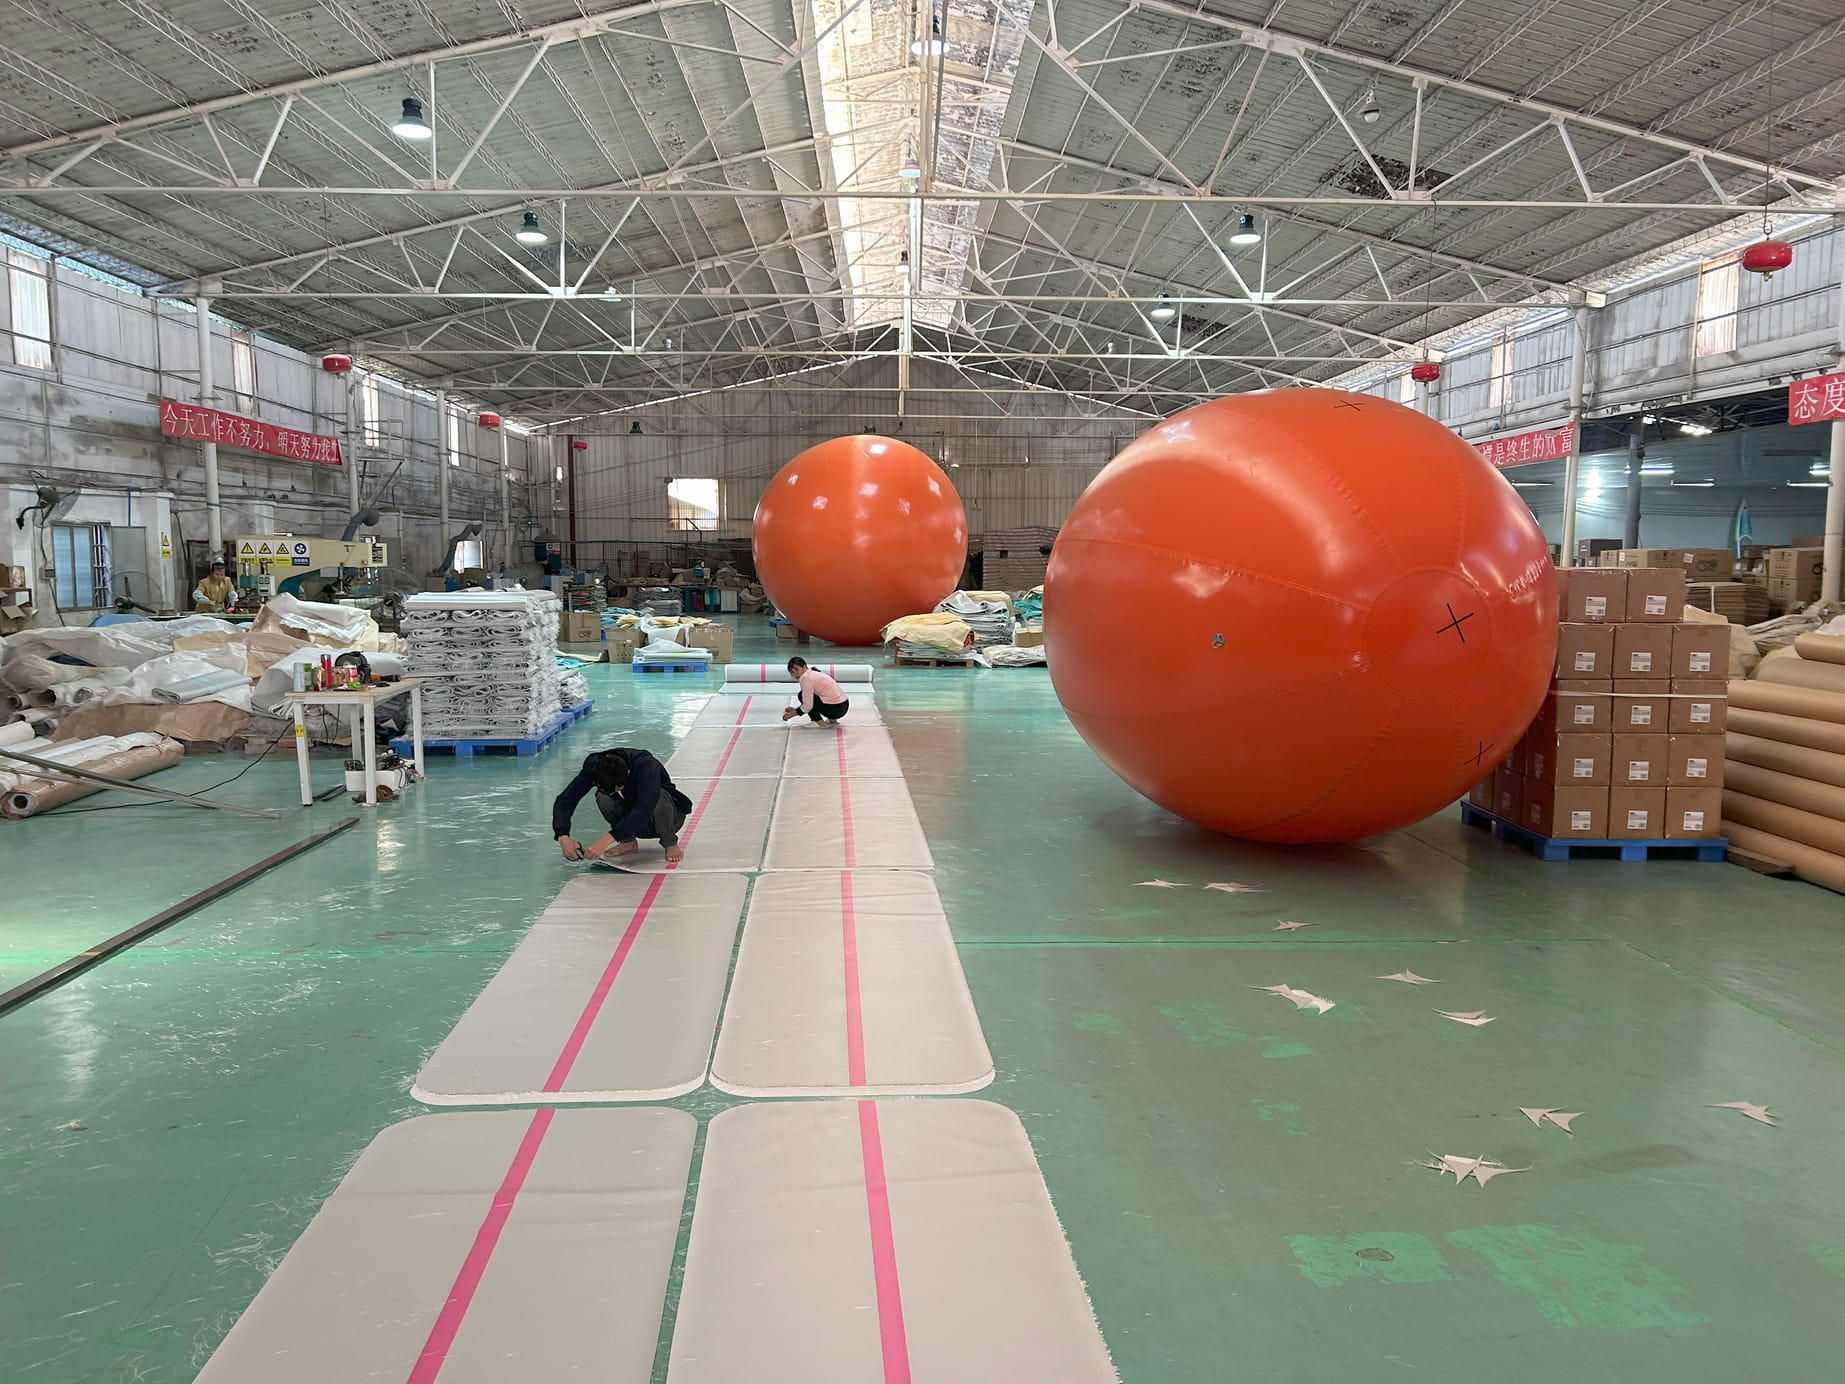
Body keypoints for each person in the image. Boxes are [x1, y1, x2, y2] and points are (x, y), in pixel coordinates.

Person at [553, 747, 694, 863]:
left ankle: (670, 842)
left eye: (619, 788)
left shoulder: (646, 765)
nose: (616, 792)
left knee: (658, 796)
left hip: (670, 818)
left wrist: (606, 840)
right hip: (634, 821)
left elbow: (644, 809)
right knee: (603, 796)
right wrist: (562, 836)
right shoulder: (594, 766)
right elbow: (566, 799)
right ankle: (628, 842)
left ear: (628, 773)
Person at [781, 656, 850, 724]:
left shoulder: (805, 678)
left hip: (835, 709)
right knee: (810, 697)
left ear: (804, 667)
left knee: (801, 695)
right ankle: (832, 720)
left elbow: (808, 706)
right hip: (844, 706)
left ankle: (820, 723)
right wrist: (796, 710)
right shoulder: (813, 673)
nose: (795, 674)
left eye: (797, 670)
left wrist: (791, 715)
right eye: (792, 672)